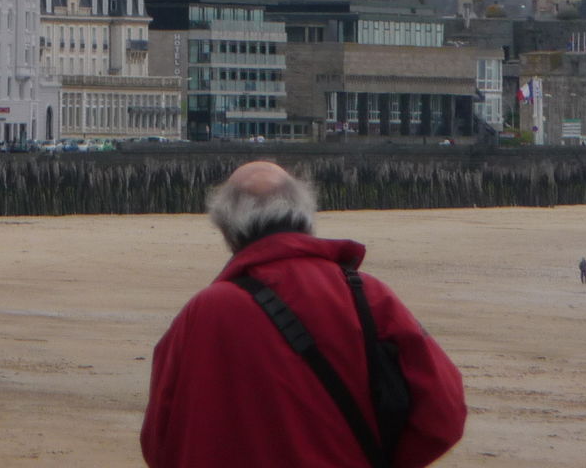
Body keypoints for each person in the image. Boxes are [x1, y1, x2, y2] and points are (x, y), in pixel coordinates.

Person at [141, 161, 466, 467]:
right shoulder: (367, 295)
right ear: (304, 216)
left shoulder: (201, 313)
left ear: (228, 229)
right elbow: (443, 415)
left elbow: (159, 441)